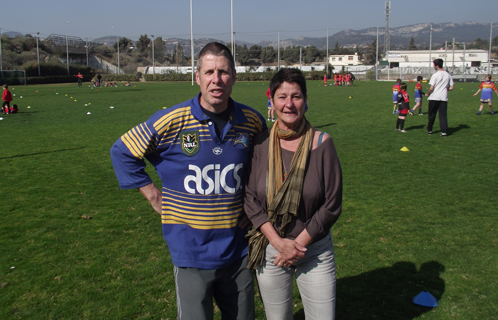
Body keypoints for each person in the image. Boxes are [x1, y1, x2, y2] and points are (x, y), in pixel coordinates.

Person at [111, 42, 266, 320]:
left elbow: (265, 167)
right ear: (197, 77)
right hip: (190, 251)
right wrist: (153, 196)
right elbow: (122, 150)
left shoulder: (252, 121)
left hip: (239, 250)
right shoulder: (172, 120)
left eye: (223, 72)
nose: (216, 79)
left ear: (234, 77)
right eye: (208, 72)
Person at [244, 68, 343, 320]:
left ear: (306, 101)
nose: (289, 104)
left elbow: (332, 204)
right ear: (272, 101)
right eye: (282, 97)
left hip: (314, 250)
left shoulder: (322, 144)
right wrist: (279, 244)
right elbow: (250, 198)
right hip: (271, 247)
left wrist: (297, 246)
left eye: (296, 96)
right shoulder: (260, 144)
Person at [426, 59, 454, 136]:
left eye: (434, 64)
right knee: (443, 115)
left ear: (437, 65)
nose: (433, 66)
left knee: (432, 114)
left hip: (434, 97)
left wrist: (428, 94)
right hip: (443, 98)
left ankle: (430, 130)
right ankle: (444, 131)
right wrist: (445, 89)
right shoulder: (448, 75)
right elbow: (451, 87)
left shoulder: (435, 75)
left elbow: (431, 88)